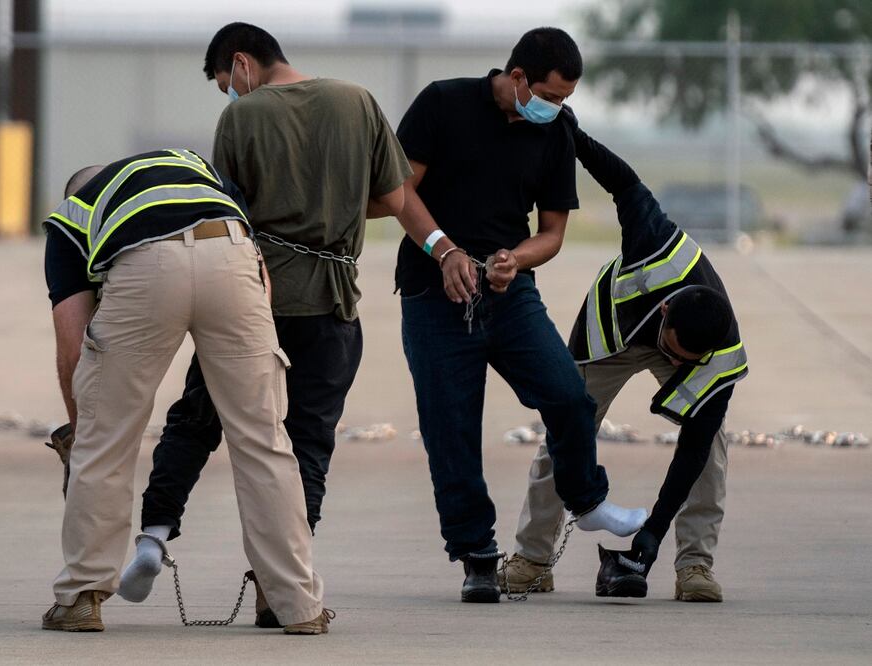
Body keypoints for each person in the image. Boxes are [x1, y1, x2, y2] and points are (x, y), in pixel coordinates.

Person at [115, 23, 410, 625]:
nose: (231, 94)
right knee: (306, 447)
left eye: (228, 83)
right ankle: (280, 590)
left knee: (198, 419)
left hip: (250, 300)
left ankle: (153, 535)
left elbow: (224, 210)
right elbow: (395, 199)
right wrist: (338, 199)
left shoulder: (241, 120)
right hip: (330, 306)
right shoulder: (357, 102)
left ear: (242, 63)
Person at [392, 27, 647, 604]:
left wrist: (516, 259)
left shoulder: (554, 131)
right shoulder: (442, 102)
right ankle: (477, 558)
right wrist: (444, 249)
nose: (557, 109)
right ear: (516, 79)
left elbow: (553, 231)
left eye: (566, 99)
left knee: (567, 394)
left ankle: (586, 500)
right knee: (450, 429)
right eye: (551, 96)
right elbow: (399, 194)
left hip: (510, 295)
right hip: (434, 296)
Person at [40, 149, 330, 634]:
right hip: (233, 256)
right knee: (265, 439)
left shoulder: (73, 215)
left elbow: (72, 345)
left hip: (143, 267)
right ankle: (299, 606)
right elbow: (258, 272)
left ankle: (82, 597)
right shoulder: (193, 167)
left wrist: (80, 433)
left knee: (107, 439)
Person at [502, 113, 748, 601]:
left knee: (713, 446)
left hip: (671, 334)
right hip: (607, 337)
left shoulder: (718, 351)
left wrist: (650, 537)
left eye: (687, 362)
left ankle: (695, 565)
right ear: (663, 314)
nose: (676, 366)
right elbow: (621, 179)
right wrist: (574, 137)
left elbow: (691, 453)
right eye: (674, 354)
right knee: (565, 431)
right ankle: (532, 558)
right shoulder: (650, 237)